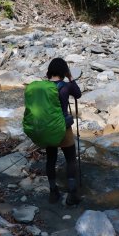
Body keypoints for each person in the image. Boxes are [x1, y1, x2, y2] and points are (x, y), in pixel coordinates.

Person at [45, 58, 82, 205]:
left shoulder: (44, 87)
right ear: (64, 71)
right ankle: (72, 195)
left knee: (51, 159)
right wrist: (70, 76)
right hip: (64, 128)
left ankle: (53, 192)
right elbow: (78, 94)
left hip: (49, 129)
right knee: (71, 159)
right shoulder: (66, 86)